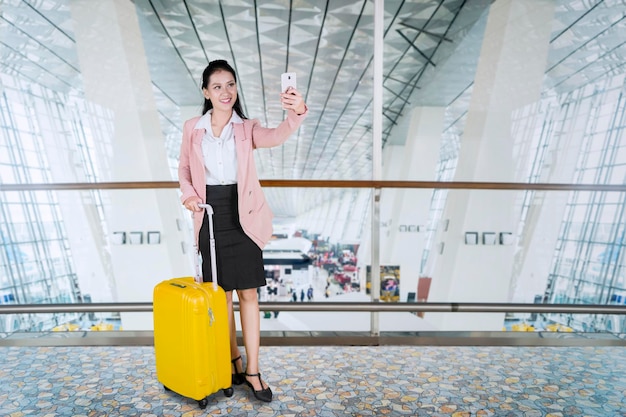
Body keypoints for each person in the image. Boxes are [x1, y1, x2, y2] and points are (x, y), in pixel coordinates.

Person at [178, 59, 307, 402]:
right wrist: (189, 196)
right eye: (217, 86)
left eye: (230, 84)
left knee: (249, 293)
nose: (225, 91)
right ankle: (231, 360)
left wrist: (297, 112)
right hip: (209, 215)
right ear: (206, 92)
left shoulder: (247, 128)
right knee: (220, 298)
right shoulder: (193, 128)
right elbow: (185, 170)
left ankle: (252, 370)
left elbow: (278, 136)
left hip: (243, 215)